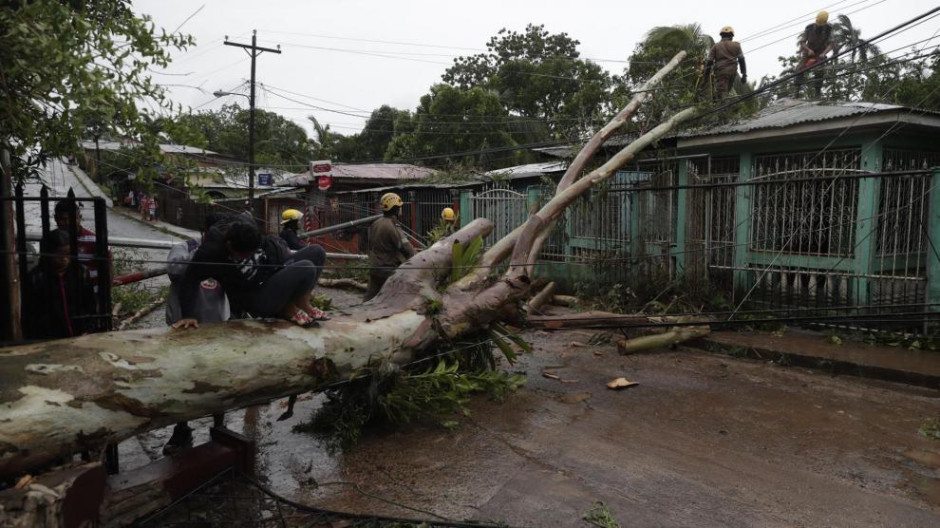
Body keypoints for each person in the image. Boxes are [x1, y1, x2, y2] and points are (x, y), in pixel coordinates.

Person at [173, 216, 328, 329]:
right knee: (305, 267)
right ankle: (286, 309)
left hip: (270, 276)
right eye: (244, 255)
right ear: (230, 245)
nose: (249, 257)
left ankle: (301, 302)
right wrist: (188, 315)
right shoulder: (210, 252)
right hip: (257, 299)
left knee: (317, 252)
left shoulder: (245, 226)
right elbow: (189, 279)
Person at [21, 229, 98, 340]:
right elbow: (30, 316)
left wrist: (89, 329)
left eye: (68, 254)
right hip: (50, 338)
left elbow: (90, 305)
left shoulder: (81, 273)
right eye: (59, 255)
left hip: (81, 335)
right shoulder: (35, 278)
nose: (65, 259)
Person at [54, 199, 111, 299]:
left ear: (79, 218)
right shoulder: (52, 240)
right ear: (55, 219)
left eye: (72, 219)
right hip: (62, 296)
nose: (68, 223)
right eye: (63, 219)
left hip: (91, 296)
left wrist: (104, 295)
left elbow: (108, 268)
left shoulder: (94, 240)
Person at [364, 192, 414, 301]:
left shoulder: (376, 223)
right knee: (396, 300)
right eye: (399, 207)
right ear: (395, 208)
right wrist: (416, 261)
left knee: (369, 300)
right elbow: (406, 248)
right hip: (388, 271)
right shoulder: (393, 226)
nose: (401, 209)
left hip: (375, 268)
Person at [794, 11, 834, 98]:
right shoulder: (809, 28)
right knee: (800, 69)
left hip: (820, 53)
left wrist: (824, 53)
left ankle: (817, 93)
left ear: (825, 22)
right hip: (808, 51)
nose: (819, 25)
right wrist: (808, 50)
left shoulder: (829, 29)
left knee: (819, 71)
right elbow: (802, 42)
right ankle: (796, 91)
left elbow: (831, 44)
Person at [704, 26, 747, 99]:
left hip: (721, 72)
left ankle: (722, 103)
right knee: (725, 92)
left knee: (721, 94)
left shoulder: (716, 46)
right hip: (732, 73)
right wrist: (744, 74)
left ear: (721, 36)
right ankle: (723, 101)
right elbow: (741, 60)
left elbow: (710, 62)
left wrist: (706, 76)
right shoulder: (737, 45)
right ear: (731, 36)